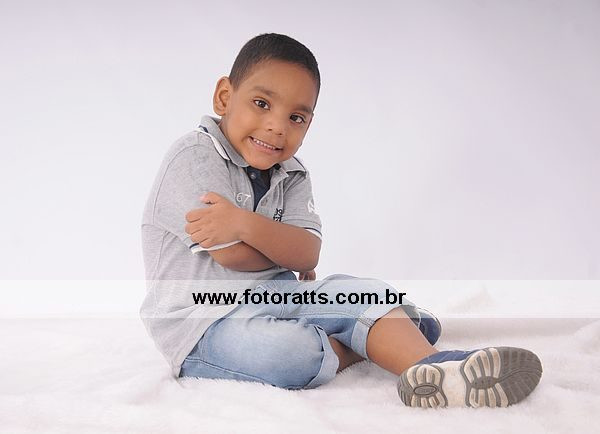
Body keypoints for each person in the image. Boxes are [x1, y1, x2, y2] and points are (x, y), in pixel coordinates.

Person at [140, 33, 542, 408]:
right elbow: (232, 255)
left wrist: (244, 224)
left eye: (296, 118)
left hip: (278, 296)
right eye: (261, 104)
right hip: (202, 325)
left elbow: (307, 253)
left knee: (368, 294)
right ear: (225, 97)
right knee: (289, 353)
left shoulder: (292, 173)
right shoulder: (194, 156)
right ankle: (368, 339)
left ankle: (439, 368)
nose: (277, 126)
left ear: (308, 124)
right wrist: (281, 246)